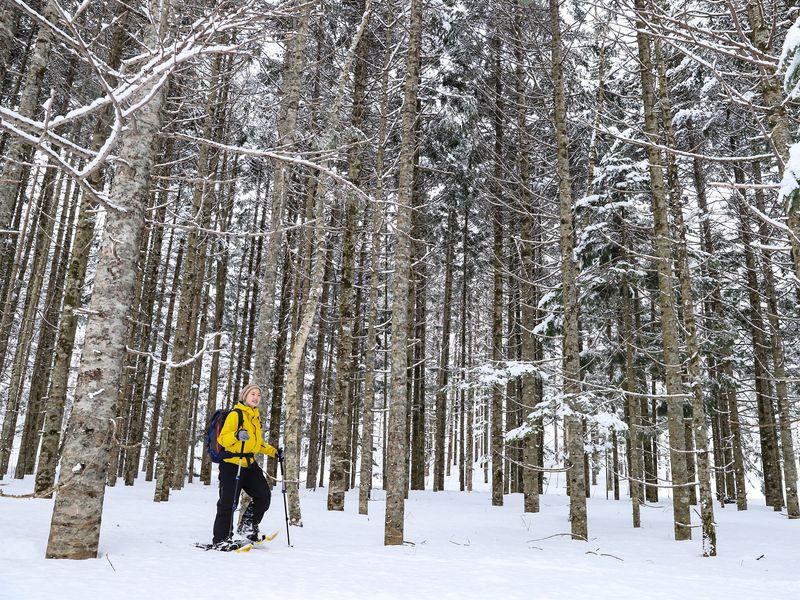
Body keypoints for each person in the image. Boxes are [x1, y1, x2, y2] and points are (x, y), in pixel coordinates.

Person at [212, 383, 284, 549]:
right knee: (228, 502)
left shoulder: (255, 417)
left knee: (264, 495)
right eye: (252, 394)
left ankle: (247, 527)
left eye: (258, 395)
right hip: (232, 464)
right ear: (245, 396)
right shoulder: (235, 415)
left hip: (249, 465)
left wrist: (274, 452)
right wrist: (237, 435)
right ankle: (221, 539)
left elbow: (257, 444)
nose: (256, 397)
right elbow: (223, 439)